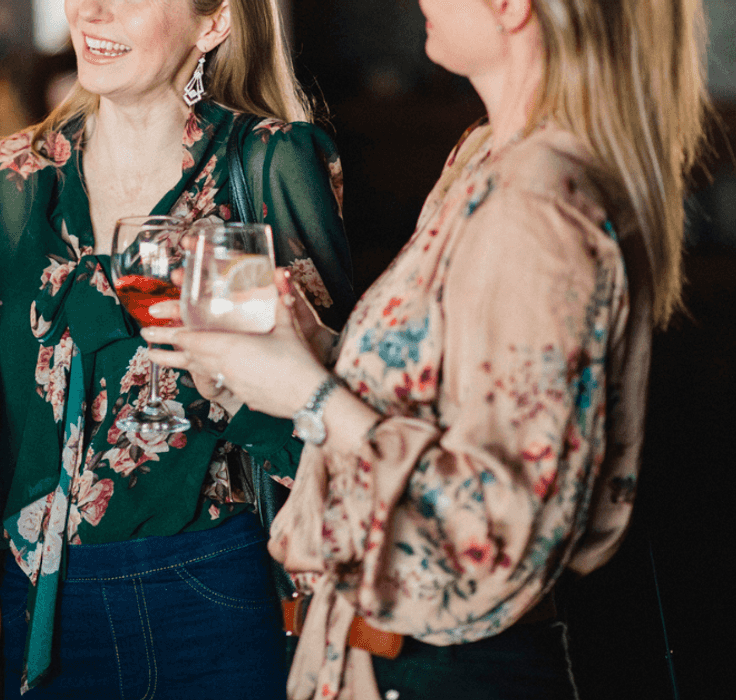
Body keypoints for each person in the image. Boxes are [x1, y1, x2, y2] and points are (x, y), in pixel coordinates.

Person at [146, 0, 713, 698]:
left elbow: (494, 524)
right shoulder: (483, 156)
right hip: (388, 658)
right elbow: (451, 400)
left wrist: (306, 393)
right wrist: (315, 348)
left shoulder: (536, 203)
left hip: (447, 668)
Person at [0, 0, 355, 697]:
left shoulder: (255, 168)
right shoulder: (11, 183)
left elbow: (327, 414)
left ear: (213, 24)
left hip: (211, 589)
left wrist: (235, 387)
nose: (91, 11)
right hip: (36, 602)